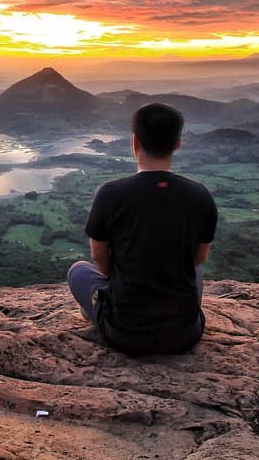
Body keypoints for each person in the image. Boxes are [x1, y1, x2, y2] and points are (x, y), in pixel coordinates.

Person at [67, 102, 218, 355]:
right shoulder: (199, 195)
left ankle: (95, 310)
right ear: (177, 143)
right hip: (184, 334)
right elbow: (198, 258)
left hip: (123, 332)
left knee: (78, 271)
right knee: (197, 271)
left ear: (134, 142)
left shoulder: (111, 194)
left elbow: (99, 257)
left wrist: (117, 279)